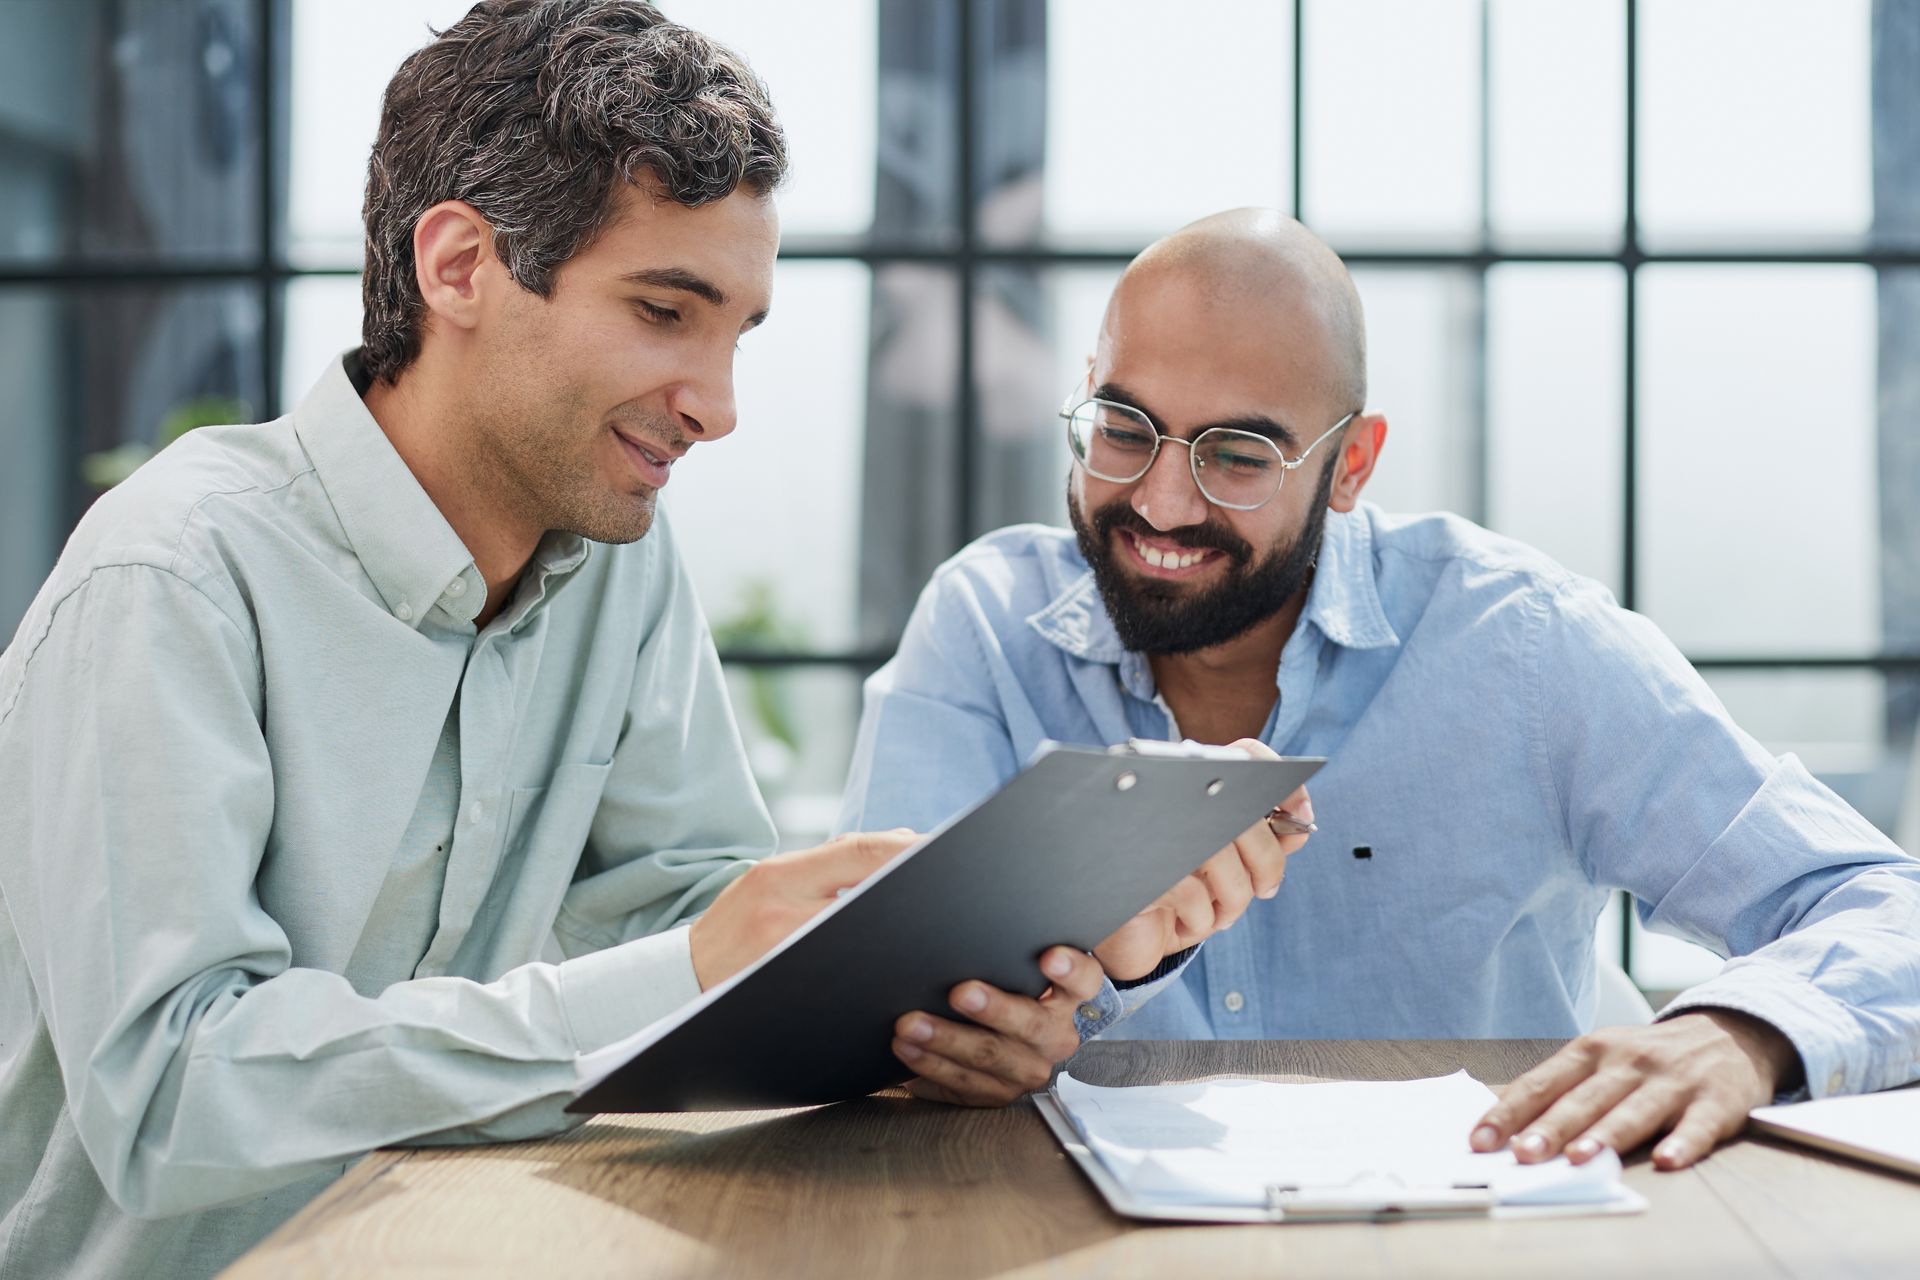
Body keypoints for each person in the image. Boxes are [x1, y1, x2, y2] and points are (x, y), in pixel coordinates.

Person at [0, 7, 1291, 1276]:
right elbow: (173, 1098)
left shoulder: (615, 563)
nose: (718, 409)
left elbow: (692, 914)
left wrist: (929, 1023)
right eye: (666, 313)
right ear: (458, 267)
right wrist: (688, 968)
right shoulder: (171, 575)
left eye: (737, 332)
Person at [840, 207, 1920, 1173]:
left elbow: (1887, 906)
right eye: (1125, 429)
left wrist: (1741, 1030)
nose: (1162, 502)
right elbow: (861, 982)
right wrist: (993, 1018)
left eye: (1239, 454)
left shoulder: (1526, 646)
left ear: (1351, 464)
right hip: (1042, 1237)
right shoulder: (984, 625)